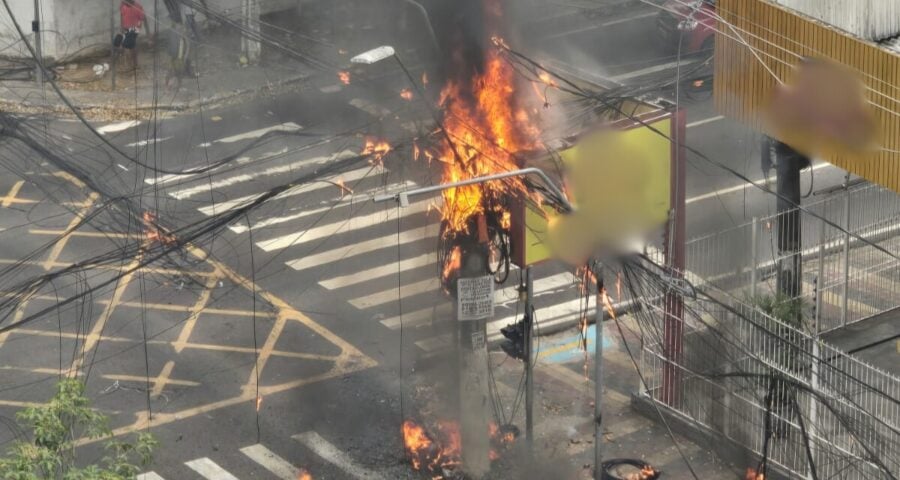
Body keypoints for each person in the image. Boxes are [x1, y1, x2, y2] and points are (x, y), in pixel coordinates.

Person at [118, 0, 145, 71]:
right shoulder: (123, 5)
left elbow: (143, 18)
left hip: (135, 28)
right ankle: (129, 62)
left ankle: (135, 64)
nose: (124, 2)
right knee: (124, 45)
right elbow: (122, 15)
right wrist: (121, 27)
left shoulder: (138, 7)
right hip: (126, 27)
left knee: (132, 46)